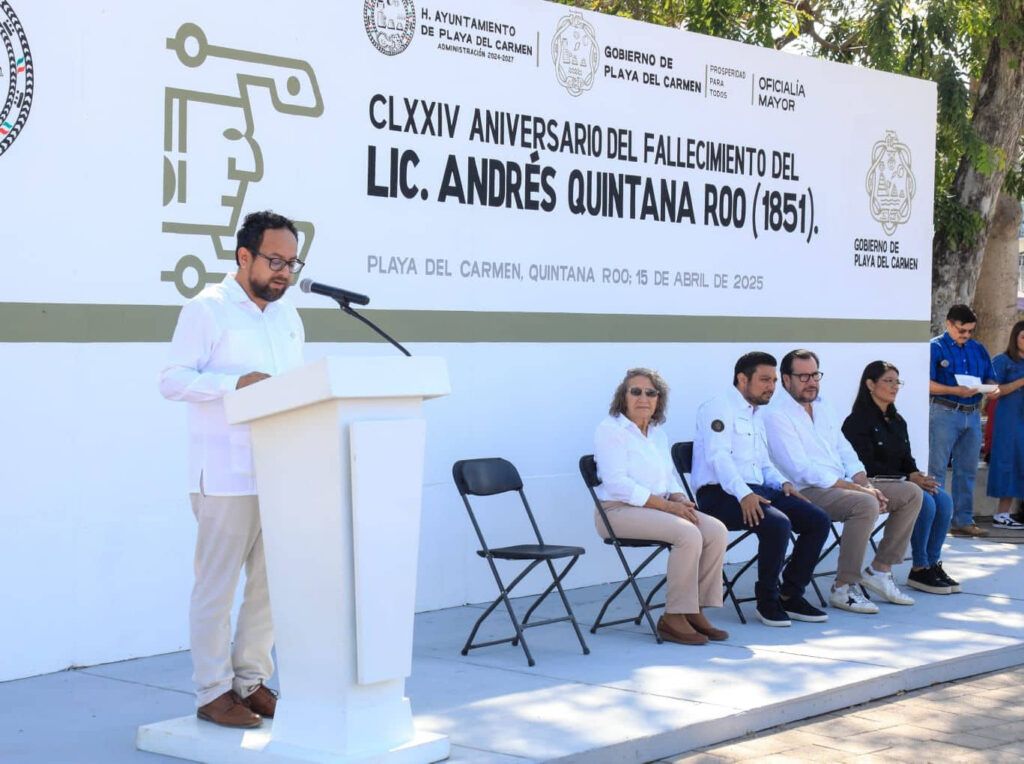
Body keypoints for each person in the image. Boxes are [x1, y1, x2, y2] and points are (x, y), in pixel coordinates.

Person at [159, 210, 306, 728]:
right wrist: (234, 386)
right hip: (224, 473)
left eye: (291, 261)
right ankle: (213, 690)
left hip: (280, 469)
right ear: (244, 256)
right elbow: (172, 380)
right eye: (275, 259)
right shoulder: (208, 309)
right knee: (216, 589)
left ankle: (250, 680)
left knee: (271, 586)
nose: (285, 271)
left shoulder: (288, 318)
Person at [763, 350, 922, 614]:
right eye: (803, 376)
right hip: (805, 492)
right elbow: (801, 470)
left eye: (815, 375)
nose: (811, 382)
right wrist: (859, 489)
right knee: (865, 504)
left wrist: (863, 481)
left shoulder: (823, 406)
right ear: (786, 379)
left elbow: (845, 450)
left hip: (844, 486)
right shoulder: (776, 414)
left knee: (911, 494)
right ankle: (844, 587)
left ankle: (880, 570)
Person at [692, 352, 831, 627]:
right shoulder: (718, 408)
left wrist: (784, 484)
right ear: (742, 379)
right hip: (720, 494)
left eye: (774, 381)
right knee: (778, 524)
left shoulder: (758, 412)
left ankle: (791, 594)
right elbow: (718, 458)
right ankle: (767, 600)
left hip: (757, 489)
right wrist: (743, 494)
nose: (771, 386)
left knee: (817, 519)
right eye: (764, 380)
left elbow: (763, 462)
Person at [594, 368, 728, 645]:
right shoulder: (611, 430)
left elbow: (669, 477)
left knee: (715, 530)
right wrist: (668, 507)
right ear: (623, 396)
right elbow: (617, 483)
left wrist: (678, 497)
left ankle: (695, 610)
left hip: (657, 508)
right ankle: (673, 617)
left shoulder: (657, 433)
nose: (643, 398)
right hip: (617, 511)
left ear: (659, 399)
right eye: (636, 391)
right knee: (688, 533)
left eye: (650, 393)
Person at [842, 361, 961, 595]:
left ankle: (931, 564)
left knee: (942, 498)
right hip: (871, 483)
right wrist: (908, 478)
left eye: (897, 382)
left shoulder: (898, 421)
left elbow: (906, 458)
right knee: (924, 502)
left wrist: (916, 474)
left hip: (901, 481)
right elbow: (864, 465)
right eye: (888, 381)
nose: (895, 387)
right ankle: (919, 565)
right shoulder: (856, 421)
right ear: (870, 384)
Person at [929, 304, 1001, 537]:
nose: (966, 335)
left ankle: (963, 520)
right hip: (944, 411)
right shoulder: (935, 347)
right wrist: (955, 390)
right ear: (948, 324)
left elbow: (990, 376)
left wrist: (991, 388)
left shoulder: (978, 348)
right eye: (962, 330)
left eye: (970, 331)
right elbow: (926, 384)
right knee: (936, 469)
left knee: (967, 470)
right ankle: (933, 521)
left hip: (972, 412)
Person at [986, 320, 1024, 529]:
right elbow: (994, 392)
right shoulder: (1003, 361)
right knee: (1008, 462)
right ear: (1015, 337)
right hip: (1008, 421)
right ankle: (1002, 514)